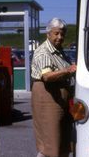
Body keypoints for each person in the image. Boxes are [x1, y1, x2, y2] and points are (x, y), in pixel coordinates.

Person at [31, 18, 77, 157]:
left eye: (62, 34)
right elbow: (47, 76)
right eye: (56, 33)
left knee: (63, 142)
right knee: (50, 145)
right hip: (48, 98)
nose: (60, 37)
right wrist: (68, 70)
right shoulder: (44, 52)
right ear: (48, 34)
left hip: (61, 99)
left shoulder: (59, 51)